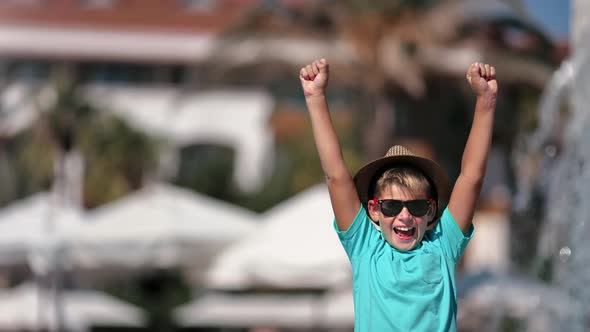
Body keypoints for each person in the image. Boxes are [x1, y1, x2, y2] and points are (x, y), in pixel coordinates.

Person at [299, 58, 497, 331]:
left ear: (430, 210)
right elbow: (336, 176)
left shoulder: (442, 245)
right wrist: (316, 97)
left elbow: (472, 177)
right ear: (373, 210)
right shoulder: (366, 246)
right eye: (392, 206)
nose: (404, 216)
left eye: (415, 206)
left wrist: (485, 102)